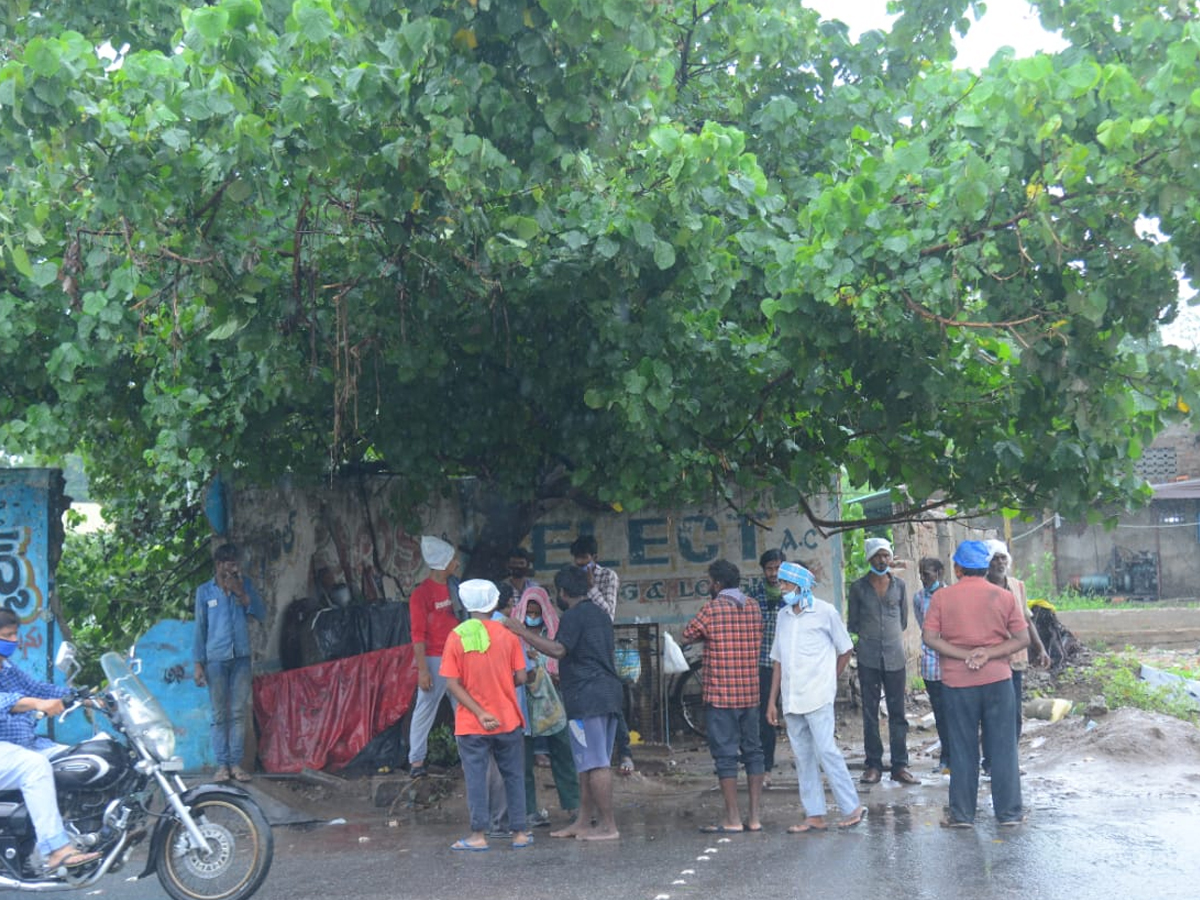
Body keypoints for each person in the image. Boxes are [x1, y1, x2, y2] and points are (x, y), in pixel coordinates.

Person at [505, 565, 622, 841]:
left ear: (563, 592)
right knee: (585, 762)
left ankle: (608, 826)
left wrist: (522, 631)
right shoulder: (601, 614)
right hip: (607, 694)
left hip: (587, 696)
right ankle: (582, 821)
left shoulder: (573, 616)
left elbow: (558, 649)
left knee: (597, 763)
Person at [922, 540, 1030, 828]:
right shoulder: (1004, 596)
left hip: (957, 684)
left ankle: (962, 815)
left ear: (957, 568)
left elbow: (930, 638)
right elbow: (1023, 638)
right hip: (997, 680)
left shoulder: (942, 598)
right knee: (1004, 747)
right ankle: (1009, 814)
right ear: (984, 567)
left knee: (962, 748)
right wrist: (988, 653)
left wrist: (964, 655)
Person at [0, 608, 103, 874]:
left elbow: (40, 689)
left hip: (24, 745)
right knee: (34, 767)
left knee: (79, 759)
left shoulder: (7, 668)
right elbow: (13, 701)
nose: (13, 640)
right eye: (7, 635)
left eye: (14, 634)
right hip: (7, 751)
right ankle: (57, 851)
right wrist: (37, 704)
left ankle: (88, 833)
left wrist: (88, 699)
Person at [766, 563, 865, 832]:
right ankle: (814, 814)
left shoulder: (825, 612)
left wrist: (830, 678)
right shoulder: (784, 615)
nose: (782, 588)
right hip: (791, 697)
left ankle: (852, 807)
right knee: (802, 756)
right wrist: (772, 701)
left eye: (785, 584)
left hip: (818, 694)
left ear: (800, 585)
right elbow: (778, 661)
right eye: (781, 584)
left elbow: (845, 648)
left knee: (826, 751)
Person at [440, 579, 532, 851]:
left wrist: (480, 712)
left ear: (466, 605)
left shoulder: (457, 636)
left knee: (476, 777)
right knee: (514, 775)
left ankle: (478, 836)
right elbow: (522, 676)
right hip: (507, 718)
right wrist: (501, 686)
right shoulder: (508, 635)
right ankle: (519, 834)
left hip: (472, 722)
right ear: (494, 603)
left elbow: (452, 683)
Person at [681, 559, 765, 834]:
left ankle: (732, 818)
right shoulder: (753, 607)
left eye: (709, 581)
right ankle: (754, 817)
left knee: (725, 756)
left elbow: (689, 633)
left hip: (721, 695)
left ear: (717, 584)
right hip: (750, 694)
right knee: (754, 753)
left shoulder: (712, 609)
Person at [192, 542, 266, 782]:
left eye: (235, 563)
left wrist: (240, 593)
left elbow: (259, 613)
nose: (232, 568)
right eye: (228, 563)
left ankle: (235, 764)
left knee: (236, 712)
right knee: (219, 714)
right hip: (215, 660)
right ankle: (222, 765)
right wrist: (198, 663)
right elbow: (200, 628)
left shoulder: (244, 587)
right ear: (219, 564)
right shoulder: (205, 592)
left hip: (241, 658)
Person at [846, 537, 917, 785]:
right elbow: (852, 622)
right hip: (868, 657)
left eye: (886, 555)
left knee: (898, 713)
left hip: (895, 656)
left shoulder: (899, 586)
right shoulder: (858, 588)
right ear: (869, 558)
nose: (882, 560)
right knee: (870, 712)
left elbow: (904, 621)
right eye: (877, 555)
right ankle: (873, 765)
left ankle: (900, 765)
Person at [980, 539, 1050, 776]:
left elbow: (1026, 619)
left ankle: (1009, 761)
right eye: (994, 558)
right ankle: (990, 762)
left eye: (1002, 558)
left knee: (1013, 713)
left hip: (1016, 659)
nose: (999, 563)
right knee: (992, 712)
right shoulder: (980, 588)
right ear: (986, 563)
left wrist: (1040, 648)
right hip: (991, 661)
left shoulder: (1017, 586)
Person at [512, 585, 580, 827]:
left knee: (563, 754)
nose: (532, 615)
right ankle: (529, 810)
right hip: (523, 704)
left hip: (553, 704)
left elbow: (563, 658)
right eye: (528, 611)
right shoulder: (513, 632)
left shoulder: (555, 631)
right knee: (523, 759)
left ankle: (574, 806)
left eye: (536, 611)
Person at [570, 534, 633, 775]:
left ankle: (624, 751)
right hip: (578, 647)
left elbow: (608, 614)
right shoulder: (572, 574)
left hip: (602, 647)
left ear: (594, 558)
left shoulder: (608, 577)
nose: (580, 564)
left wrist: (590, 586)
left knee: (610, 699)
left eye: (584, 559)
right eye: (577, 560)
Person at [406, 535, 462, 779]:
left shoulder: (455, 587)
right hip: (434, 658)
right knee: (426, 707)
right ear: (443, 564)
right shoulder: (421, 594)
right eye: (452, 559)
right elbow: (418, 635)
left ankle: (468, 757)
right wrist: (422, 670)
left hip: (456, 656)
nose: (456, 563)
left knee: (462, 707)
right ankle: (416, 761)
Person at [748, 549, 786, 784]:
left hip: (790, 664)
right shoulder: (754, 595)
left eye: (777, 568)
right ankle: (767, 766)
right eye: (769, 569)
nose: (773, 573)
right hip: (763, 663)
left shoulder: (791, 594)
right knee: (766, 717)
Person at [912, 556, 952, 774]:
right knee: (940, 713)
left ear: (938, 573)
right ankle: (946, 758)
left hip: (951, 662)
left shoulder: (951, 596)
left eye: (926, 573)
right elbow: (924, 626)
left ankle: (957, 756)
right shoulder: (919, 598)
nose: (923, 578)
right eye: (921, 574)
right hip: (930, 664)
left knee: (955, 711)